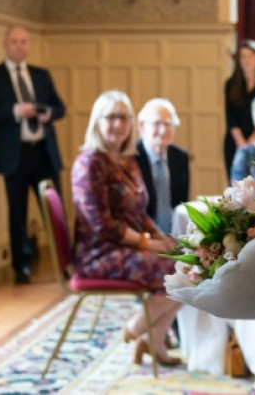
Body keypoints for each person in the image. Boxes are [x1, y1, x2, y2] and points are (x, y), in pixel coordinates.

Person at [71, 90, 183, 367]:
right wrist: (150, 244)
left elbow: (139, 212)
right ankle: (135, 328)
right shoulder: (89, 163)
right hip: (99, 254)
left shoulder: (127, 160)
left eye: (124, 117)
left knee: (190, 261)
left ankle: (153, 340)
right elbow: (103, 226)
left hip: (124, 247)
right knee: (178, 271)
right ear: (97, 121)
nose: (118, 124)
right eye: (111, 117)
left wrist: (161, 237)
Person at [0, 25, 66, 284]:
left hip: (44, 152)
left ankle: (65, 262)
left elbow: (60, 107)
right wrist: (16, 111)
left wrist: (49, 112)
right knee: (18, 213)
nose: (19, 46)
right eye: (14, 41)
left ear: (29, 45)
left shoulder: (41, 74)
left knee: (55, 210)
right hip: (13, 155)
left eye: (24, 41)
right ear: (5, 43)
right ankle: (21, 266)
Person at [135, 98, 191, 234]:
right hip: (141, 235)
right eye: (157, 123)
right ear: (142, 126)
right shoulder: (131, 157)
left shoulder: (180, 157)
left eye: (168, 124)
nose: (163, 130)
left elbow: (181, 203)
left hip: (176, 236)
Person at [224, 39, 255, 179]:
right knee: (236, 185)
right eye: (243, 56)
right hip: (235, 142)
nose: (247, 60)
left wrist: (251, 142)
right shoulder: (230, 85)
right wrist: (242, 145)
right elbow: (230, 118)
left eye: (250, 56)